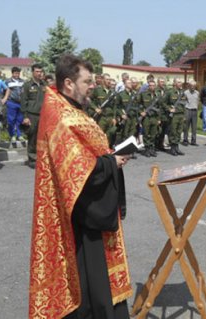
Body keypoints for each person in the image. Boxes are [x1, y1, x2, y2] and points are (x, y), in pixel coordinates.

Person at [28, 54, 133, 319]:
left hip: (87, 205)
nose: (92, 86)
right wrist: (112, 162)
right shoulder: (62, 116)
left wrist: (108, 157)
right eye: (87, 81)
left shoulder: (69, 107)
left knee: (92, 277)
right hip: (81, 212)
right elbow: (78, 170)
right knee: (88, 278)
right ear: (69, 83)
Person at [20, 64, 45, 168]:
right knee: (33, 137)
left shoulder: (44, 85)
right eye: (37, 71)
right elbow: (23, 101)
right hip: (32, 115)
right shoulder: (27, 85)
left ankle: (41, 158)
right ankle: (32, 158)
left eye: (41, 71)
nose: (39, 73)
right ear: (33, 72)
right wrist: (25, 116)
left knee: (42, 137)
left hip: (43, 115)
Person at [164, 78, 187, 156]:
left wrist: (184, 115)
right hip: (174, 115)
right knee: (173, 131)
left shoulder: (182, 92)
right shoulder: (169, 92)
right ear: (174, 83)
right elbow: (163, 103)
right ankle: (172, 148)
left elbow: (184, 104)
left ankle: (177, 147)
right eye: (178, 82)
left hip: (181, 114)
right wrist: (169, 109)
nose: (180, 83)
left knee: (179, 131)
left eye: (181, 82)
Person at [138, 79, 160, 157]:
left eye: (153, 85)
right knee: (146, 133)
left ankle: (151, 148)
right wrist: (141, 112)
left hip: (154, 117)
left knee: (153, 134)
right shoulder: (143, 94)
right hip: (146, 117)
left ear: (155, 86)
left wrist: (159, 119)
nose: (152, 87)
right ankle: (146, 149)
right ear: (148, 86)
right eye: (150, 85)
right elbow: (137, 104)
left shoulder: (157, 95)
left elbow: (159, 107)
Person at [5, 66, 25, 142]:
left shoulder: (22, 81)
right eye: (16, 73)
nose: (17, 74)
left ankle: (19, 135)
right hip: (11, 103)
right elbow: (4, 91)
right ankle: (12, 135)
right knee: (11, 120)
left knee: (19, 120)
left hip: (20, 103)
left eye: (18, 73)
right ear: (12, 73)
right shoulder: (7, 81)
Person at [183, 80, 199, 146]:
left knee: (194, 127)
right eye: (191, 86)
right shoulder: (185, 93)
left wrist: (197, 107)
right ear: (189, 86)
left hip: (194, 111)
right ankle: (185, 140)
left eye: (194, 86)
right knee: (186, 126)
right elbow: (183, 102)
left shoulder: (197, 93)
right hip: (188, 110)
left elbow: (198, 101)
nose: (193, 87)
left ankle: (193, 141)